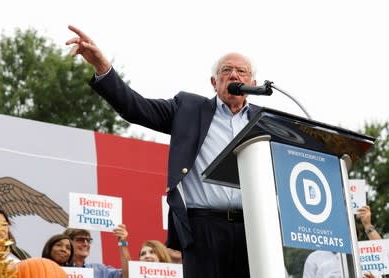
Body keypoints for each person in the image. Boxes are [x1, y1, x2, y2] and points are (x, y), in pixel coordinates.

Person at [66, 25, 261, 278]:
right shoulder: (189, 110)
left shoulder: (266, 121)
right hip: (203, 228)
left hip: (255, 229)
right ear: (214, 82)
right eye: (227, 71)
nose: (234, 75)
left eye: (241, 71)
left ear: (253, 83)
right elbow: (134, 107)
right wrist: (102, 67)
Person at [302, 205, 382, 278]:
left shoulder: (363, 254)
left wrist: (367, 225)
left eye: (347, 225)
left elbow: (382, 252)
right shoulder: (314, 258)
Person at [63, 224, 130, 278]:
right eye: (80, 239)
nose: (86, 244)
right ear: (67, 242)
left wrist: (122, 242)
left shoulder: (99, 270)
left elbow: (128, 275)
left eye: (88, 240)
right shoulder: (56, 268)